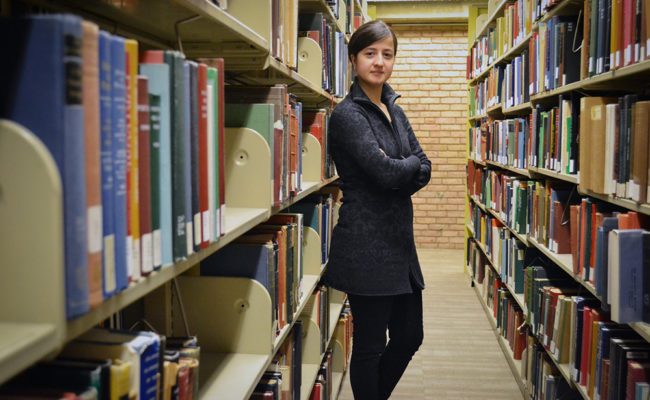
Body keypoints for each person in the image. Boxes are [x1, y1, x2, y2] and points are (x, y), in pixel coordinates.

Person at [322, 20, 432, 400]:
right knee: (369, 346)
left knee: (409, 336)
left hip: (400, 247)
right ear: (353, 59)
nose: (379, 62)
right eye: (370, 53)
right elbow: (386, 172)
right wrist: (404, 168)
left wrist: (402, 167)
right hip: (366, 247)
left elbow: (425, 166)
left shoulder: (394, 109)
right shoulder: (348, 115)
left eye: (387, 54)